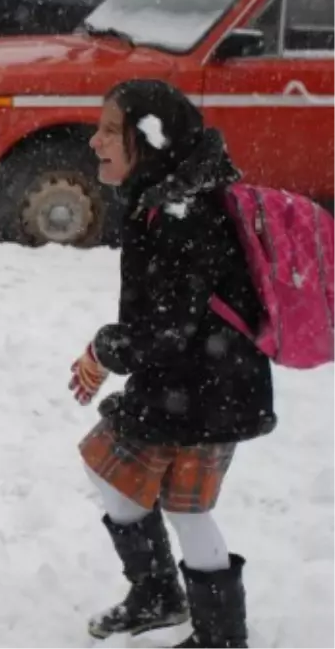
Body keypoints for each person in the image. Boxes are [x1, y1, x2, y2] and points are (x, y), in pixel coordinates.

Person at [72, 79, 275, 649]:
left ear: (149, 137)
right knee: (106, 465)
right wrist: (113, 350)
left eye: (110, 130)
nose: (94, 142)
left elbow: (167, 327)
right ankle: (159, 593)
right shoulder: (162, 194)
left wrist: (104, 350)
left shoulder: (183, 210)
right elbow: (165, 326)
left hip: (212, 388)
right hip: (181, 383)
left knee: (187, 510)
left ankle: (221, 637)